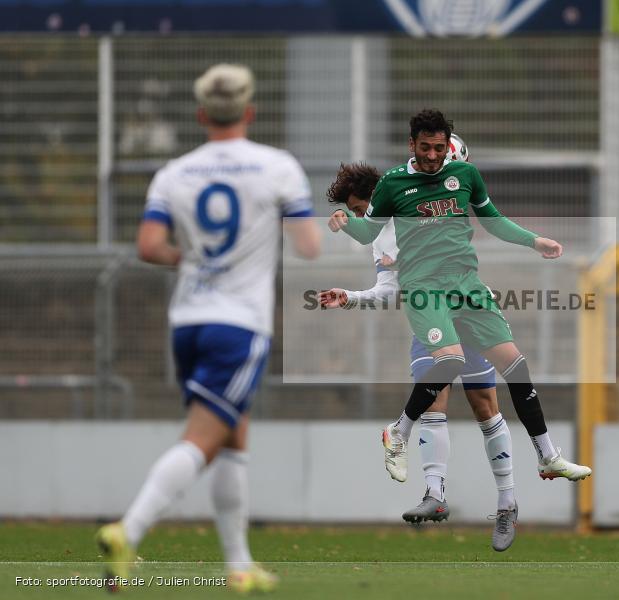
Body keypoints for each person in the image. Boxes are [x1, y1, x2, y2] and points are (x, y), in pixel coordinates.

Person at [95, 63, 321, 593]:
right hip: (240, 324)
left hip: (188, 321)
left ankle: (239, 567)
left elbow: (149, 247)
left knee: (232, 437)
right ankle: (127, 529)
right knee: (202, 440)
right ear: (250, 112)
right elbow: (309, 246)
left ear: (201, 115)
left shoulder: (175, 172)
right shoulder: (277, 167)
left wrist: (195, 261)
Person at [329, 109, 592, 544]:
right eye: (425, 148)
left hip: (466, 295)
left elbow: (488, 217)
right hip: (426, 303)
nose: (434, 156)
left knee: (492, 398)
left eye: (440, 149)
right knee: (440, 386)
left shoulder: (457, 176)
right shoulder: (386, 215)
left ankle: (517, 492)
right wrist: (352, 265)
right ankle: (432, 488)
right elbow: (384, 281)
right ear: (411, 146)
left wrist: (534, 240)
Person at [320, 157, 519, 551]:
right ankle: (435, 495)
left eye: (361, 208)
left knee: (485, 405)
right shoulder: (378, 237)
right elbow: (388, 289)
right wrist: (352, 297)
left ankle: (507, 502)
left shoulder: (417, 203)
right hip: (428, 319)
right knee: (433, 400)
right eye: (358, 214)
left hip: (465, 312)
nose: (363, 218)